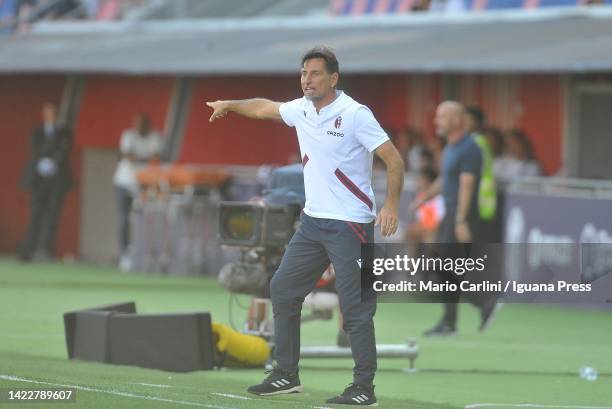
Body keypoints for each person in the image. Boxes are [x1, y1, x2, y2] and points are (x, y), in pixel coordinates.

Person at [206, 46, 404, 406]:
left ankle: (364, 389)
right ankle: (286, 375)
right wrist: (230, 104)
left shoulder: (356, 114)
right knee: (282, 288)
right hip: (313, 223)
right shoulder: (300, 109)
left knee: (356, 307)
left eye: (314, 74)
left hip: (351, 225)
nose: (306, 80)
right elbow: (264, 107)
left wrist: (391, 205)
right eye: (302, 74)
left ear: (333, 78)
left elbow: (393, 160)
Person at [410, 101, 500, 336]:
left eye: (441, 117)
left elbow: (467, 185)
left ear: (457, 120)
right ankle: (468, 311)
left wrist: (460, 220)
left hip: (461, 214)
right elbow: (446, 179)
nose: (436, 121)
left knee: (445, 266)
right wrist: (425, 197)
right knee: (448, 268)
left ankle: (479, 304)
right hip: (452, 213)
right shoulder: (452, 146)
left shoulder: (470, 148)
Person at [19, 102, 73, 261]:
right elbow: (34, 150)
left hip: (57, 180)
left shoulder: (64, 132)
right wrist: (41, 163)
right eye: (48, 113)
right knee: (35, 214)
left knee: (53, 216)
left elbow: (64, 149)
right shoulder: (37, 132)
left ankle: (45, 250)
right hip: (38, 179)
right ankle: (28, 250)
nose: (51, 116)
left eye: (54, 113)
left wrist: (54, 162)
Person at [112, 113, 162, 271]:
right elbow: (128, 156)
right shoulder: (128, 135)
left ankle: (145, 254)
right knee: (123, 219)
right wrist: (145, 159)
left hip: (144, 185)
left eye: (143, 124)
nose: (139, 127)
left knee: (147, 219)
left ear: (148, 124)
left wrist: (142, 159)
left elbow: (156, 158)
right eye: (137, 123)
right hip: (124, 182)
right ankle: (125, 254)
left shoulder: (155, 137)